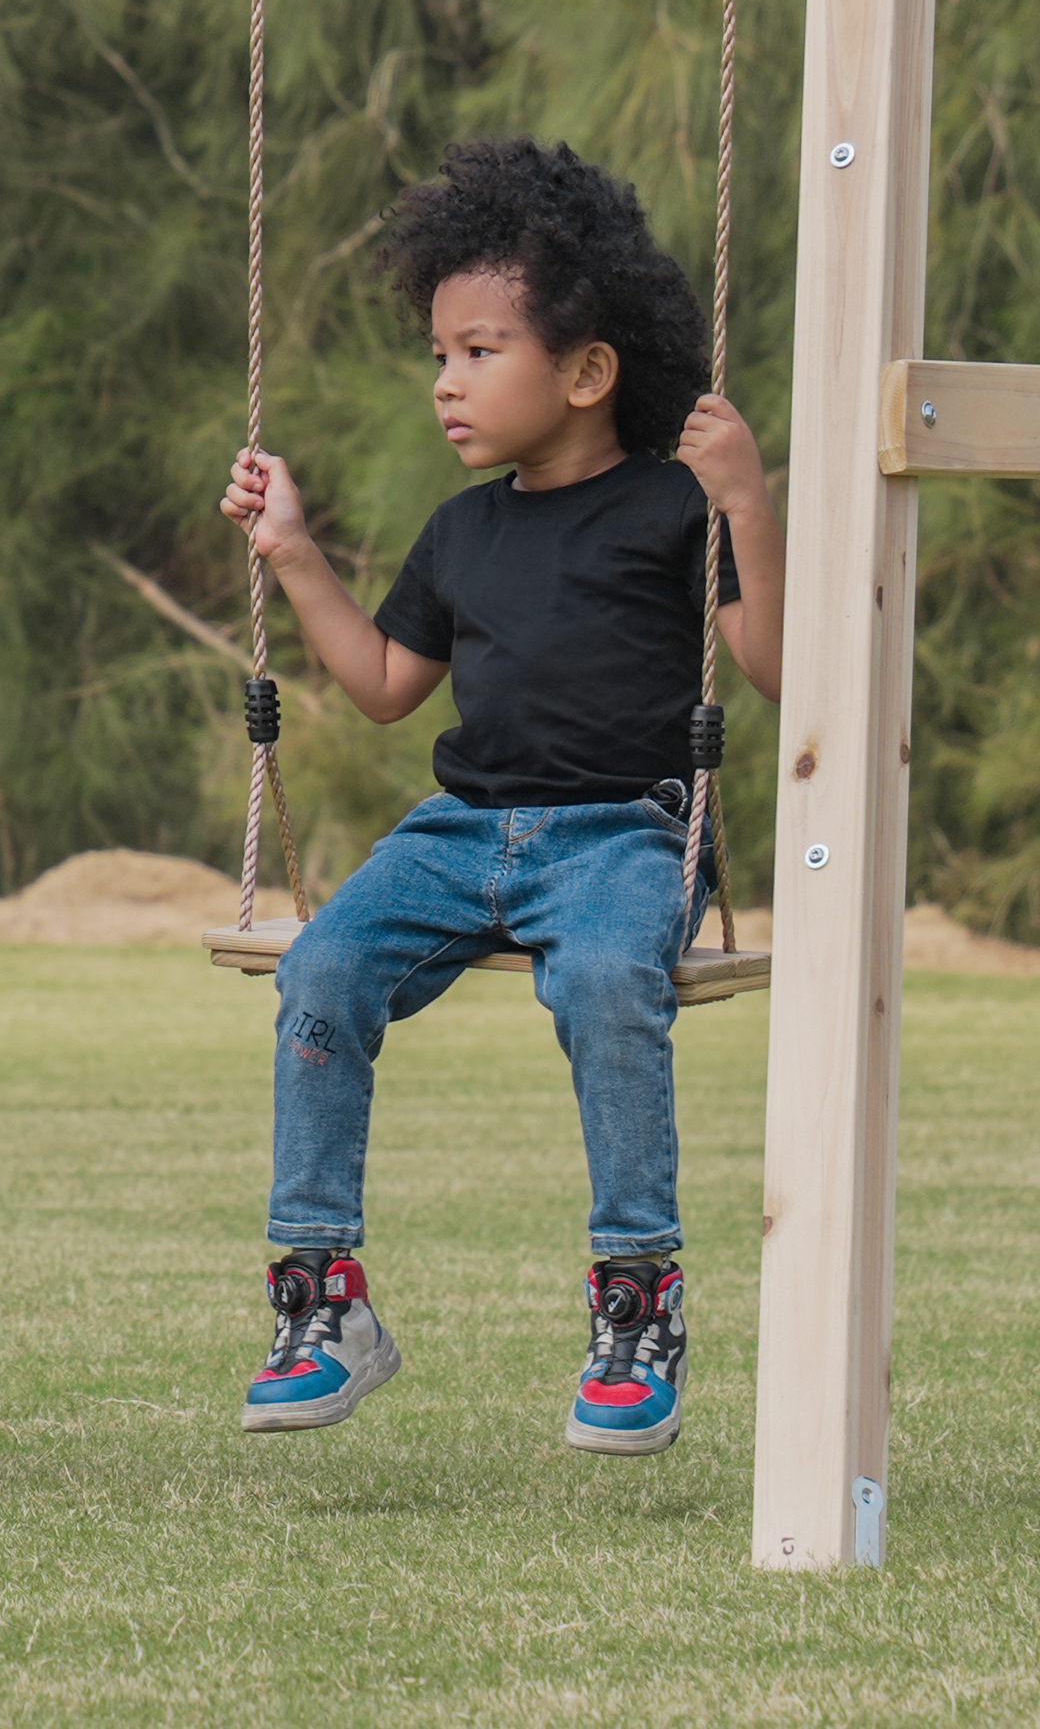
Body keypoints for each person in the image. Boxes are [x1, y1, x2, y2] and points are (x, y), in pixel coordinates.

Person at [219, 137, 784, 1453]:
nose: (445, 384)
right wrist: (293, 553)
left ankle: (638, 1307)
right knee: (325, 973)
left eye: (480, 352)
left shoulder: (670, 510)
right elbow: (380, 685)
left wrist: (749, 505)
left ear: (588, 371)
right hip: (462, 834)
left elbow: (767, 667)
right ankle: (323, 1299)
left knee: (602, 986)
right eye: (440, 354)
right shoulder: (462, 532)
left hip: (623, 836)